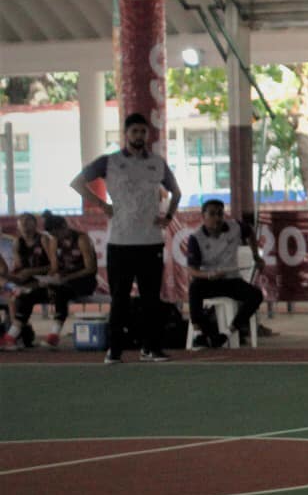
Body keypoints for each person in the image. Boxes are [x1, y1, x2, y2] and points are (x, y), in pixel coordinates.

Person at [69, 113, 182, 364]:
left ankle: (150, 347)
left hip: (151, 241)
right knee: (119, 299)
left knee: (151, 298)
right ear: (126, 134)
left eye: (143, 132)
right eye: (135, 132)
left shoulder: (157, 163)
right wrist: (101, 205)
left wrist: (169, 215)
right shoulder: (109, 162)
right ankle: (115, 350)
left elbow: (177, 191)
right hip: (120, 242)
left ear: (147, 135)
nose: (139, 136)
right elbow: (77, 182)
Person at [183, 198, 264, 348]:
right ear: (203, 216)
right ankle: (199, 334)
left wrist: (256, 256)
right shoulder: (196, 238)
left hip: (232, 280)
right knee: (195, 288)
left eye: (220, 214)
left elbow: (250, 232)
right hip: (209, 280)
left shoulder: (235, 227)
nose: (217, 218)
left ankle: (228, 332)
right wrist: (209, 275)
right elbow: (192, 270)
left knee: (256, 295)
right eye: (212, 214)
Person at [28, 212, 98, 348]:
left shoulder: (81, 239)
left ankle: (54, 335)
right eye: (53, 235)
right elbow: (54, 266)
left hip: (84, 280)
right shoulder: (54, 241)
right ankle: (15, 333)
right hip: (63, 281)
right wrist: (49, 277)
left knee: (60, 292)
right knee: (33, 291)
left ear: (65, 227)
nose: (56, 237)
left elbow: (90, 268)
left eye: (57, 234)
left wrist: (67, 278)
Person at [2, 213, 56, 349]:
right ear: (18, 226)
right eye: (22, 222)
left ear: (35, 223)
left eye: (28, 221)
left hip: (45, 279)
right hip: (26, 281)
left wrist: (32, 272)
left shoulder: (44, 239)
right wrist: (10, 274)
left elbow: (54, 266)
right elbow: (19, 267)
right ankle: (19, 336)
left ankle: (16, 336)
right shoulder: (17, 243)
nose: (25, 224)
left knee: (19, 297)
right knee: (13, 296)